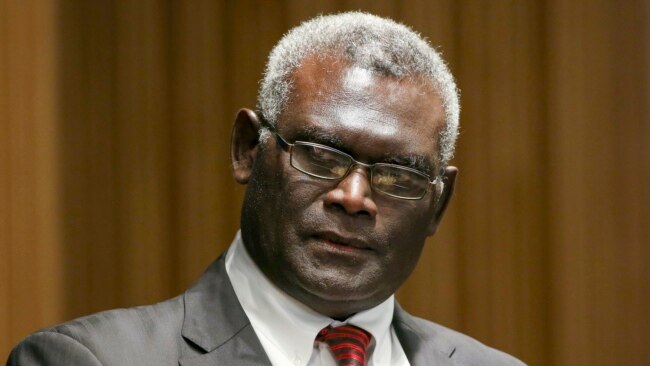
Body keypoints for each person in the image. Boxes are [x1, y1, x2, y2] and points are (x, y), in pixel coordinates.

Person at [7, 12, 525, 366]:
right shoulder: (90, 360)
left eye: (397, 175)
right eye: (321, 155)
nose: (354, 197)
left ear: (439, 203)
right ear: (247, 150)